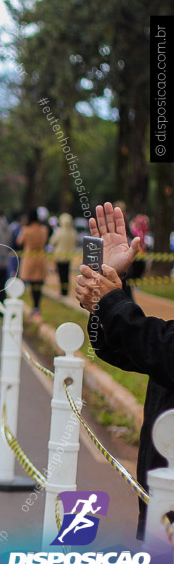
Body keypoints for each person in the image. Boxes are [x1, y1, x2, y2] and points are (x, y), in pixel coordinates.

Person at [74, 202, 168, 541]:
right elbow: (123, 350)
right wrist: (110, 284)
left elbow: (163, 351)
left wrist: (110, 299)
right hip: (158, 497)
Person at [17, 209, 49, 318]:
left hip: (29, 258)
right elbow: (45, 241)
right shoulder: (43, 229)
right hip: (40, 257)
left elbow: (19, 242)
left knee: (31, 283)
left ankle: (34, 307)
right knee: (39, 284)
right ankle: (37, 306)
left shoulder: (26, 230)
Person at [49, 212, 77, 297]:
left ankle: (62, 291)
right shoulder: (73, 232)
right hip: (68, 256)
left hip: (59, 256)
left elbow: (52, 242)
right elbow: (74, 243)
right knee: (66, 273)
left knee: (61, 274)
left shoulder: (59, 232)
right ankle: (65, 290)